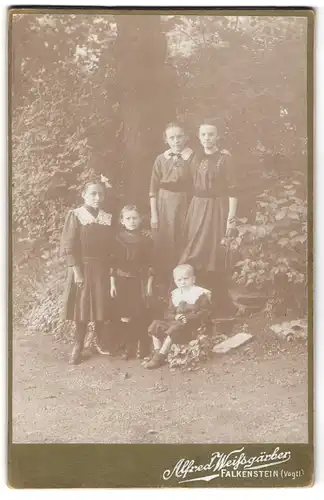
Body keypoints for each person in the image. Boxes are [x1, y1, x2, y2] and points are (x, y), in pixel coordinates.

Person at [179, 118, 238, 318]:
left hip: (217, 208)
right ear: (198, 136)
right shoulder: (194, 157)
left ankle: (219, 303)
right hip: (197, 207)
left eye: (211, 134)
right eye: (203, 134)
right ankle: (194, 301)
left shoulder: (225, 159)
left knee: (215, 252)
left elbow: (233, 189)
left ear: (218, 136)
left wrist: (231, 217)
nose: (207, 138)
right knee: (195, 250)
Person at [60, 180, 115, 365]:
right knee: (81, 308)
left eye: (100, 194)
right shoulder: (76, 215)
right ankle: (78, 344)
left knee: (100, 304)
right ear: (83, 194)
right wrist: (76, 272)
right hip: (82, 267)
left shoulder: (107, 217)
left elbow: (110, 248)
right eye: (93, 193)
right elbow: (69, 246)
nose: (97, 198)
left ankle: (99, 341)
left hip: (101, 268)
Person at [144, 264, 212, 369]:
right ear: (175, 282)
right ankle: (158, 351)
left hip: (192, 326)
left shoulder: (199, 293)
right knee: (155, 324)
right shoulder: (175, 294)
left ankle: (160, 357)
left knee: (176, 327)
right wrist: (175, 317)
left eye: (186, 279)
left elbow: (205, 312)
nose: (183, 282)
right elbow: (168, 313)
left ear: (193, 279)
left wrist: (188, 318)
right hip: (176, 323)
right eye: (179, 280)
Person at [149, 122, 193, 281]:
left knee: (183, 237)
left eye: (179, 136)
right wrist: (154, 215)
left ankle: (184, 280)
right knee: (166, 240)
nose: (176, 141)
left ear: (186, 137)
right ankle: (165, 281)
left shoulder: (192, 157)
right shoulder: (161, 159)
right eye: (172, 137)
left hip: (186, 201)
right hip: (164, 202)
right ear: (166, 140)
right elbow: (153, 189)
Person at [110, 205, 154, 360]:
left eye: (135, 218)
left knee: (140, 314)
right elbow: (113, 263)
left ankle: (143, 346)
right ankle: (129, 346)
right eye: (128, 218)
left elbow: (150, 264)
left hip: (139, 281)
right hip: (122, 281)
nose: (132, 221)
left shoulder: (146, 240)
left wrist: (149, 284)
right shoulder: (118, 239)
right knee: (125, 315)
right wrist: (112, 283)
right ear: (122, 221)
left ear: (140, 219)